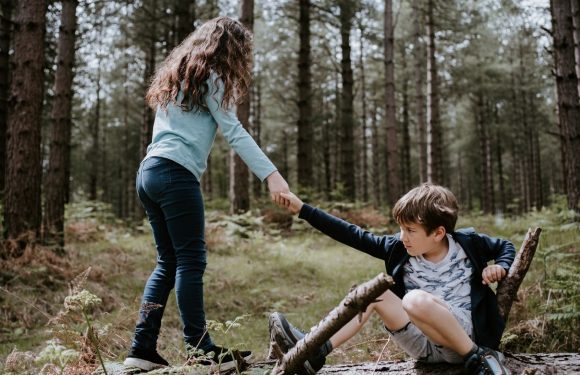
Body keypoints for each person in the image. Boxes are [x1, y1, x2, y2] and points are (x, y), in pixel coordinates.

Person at [123, 16, 289, 372]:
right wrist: (272, 176)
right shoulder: (213, 77)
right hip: (174, 174)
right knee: (190, 261)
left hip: (148, 173)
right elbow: (234, 131)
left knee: (167, 263)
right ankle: (199, 349)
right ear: (229, 50)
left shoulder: (177, 78)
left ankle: (141, 348)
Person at [270, 183, 515, 375]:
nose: (403, 237)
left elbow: (506, 246)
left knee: (414, 300)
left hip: (462, 337)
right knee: (373, 292)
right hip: (423, 344)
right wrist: (302, 209)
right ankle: (315, 349)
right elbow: (351, 234)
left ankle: (479, 359)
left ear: (439, 232)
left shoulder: (468, 244)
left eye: (410, 231)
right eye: (401, 228)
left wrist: (499, 267)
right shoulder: (398, 248)